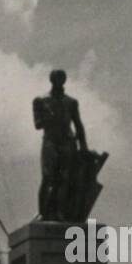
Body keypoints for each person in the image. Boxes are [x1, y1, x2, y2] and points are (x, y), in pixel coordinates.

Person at [33, 68, 88, 221]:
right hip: (50, 142)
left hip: (67, 143)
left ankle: (60, 212)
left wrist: (83, 146)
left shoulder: (71, 102)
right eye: (57, 79)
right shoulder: (41, 100)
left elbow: (78, 125)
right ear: (52, 80)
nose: (59, 82)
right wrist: (49, 117)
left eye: (61, 79)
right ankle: (44, 212)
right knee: (48, 178)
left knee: (65, 179)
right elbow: (37, 125)